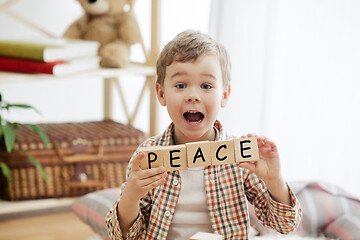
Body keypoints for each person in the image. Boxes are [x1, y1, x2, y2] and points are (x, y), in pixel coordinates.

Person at [106, 30, 301, 240]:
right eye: (181, 85)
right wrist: (131, 196)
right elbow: (123, 236)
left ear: (224, 95)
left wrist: (274, 181)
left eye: (206, 86)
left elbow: (284, 225)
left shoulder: (240, 157)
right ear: (161, 93)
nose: (192, 96)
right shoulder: (148, 156)